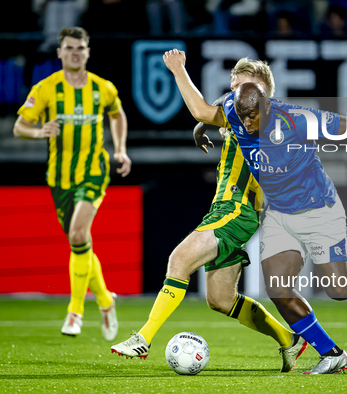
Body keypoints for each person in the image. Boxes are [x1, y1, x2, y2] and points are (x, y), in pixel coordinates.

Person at [161, 48, 347, 374]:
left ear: (267, 103)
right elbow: (202, 111)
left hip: (317, 210)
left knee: (339, 290)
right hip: (280, 214)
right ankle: (332, 353)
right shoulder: (235, 111)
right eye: (241, 118)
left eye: (253, 117)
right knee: (278, 288)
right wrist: (184, 82)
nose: (247, 124)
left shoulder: (297, 120)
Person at [111, 59, 308, 373]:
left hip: (237, 210)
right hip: (233, 210)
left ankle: (143, 338)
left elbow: (203, 109)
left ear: (262, 89)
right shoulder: (247, 109)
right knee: (220, 299)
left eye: (243, 83)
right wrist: (204, 126)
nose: (235, 88)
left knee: (179, 260)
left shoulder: (261, 114)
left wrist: (178, 71)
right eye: (233, 81)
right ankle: (288, 337)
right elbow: (214, 110)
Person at [13, 27, 132, 341]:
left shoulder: (102, 88)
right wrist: (40, 132)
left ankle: (75, 311)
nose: (75, 52)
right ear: (60, 52)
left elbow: (117, 115)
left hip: (94, 171)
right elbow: (20, 126)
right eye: (69, 48)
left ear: (88, 52)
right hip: (60, 179)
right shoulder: (46, 89)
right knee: (80, 244)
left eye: (80, 47)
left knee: (79, 233)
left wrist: (119, 149)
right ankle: (106, 300)